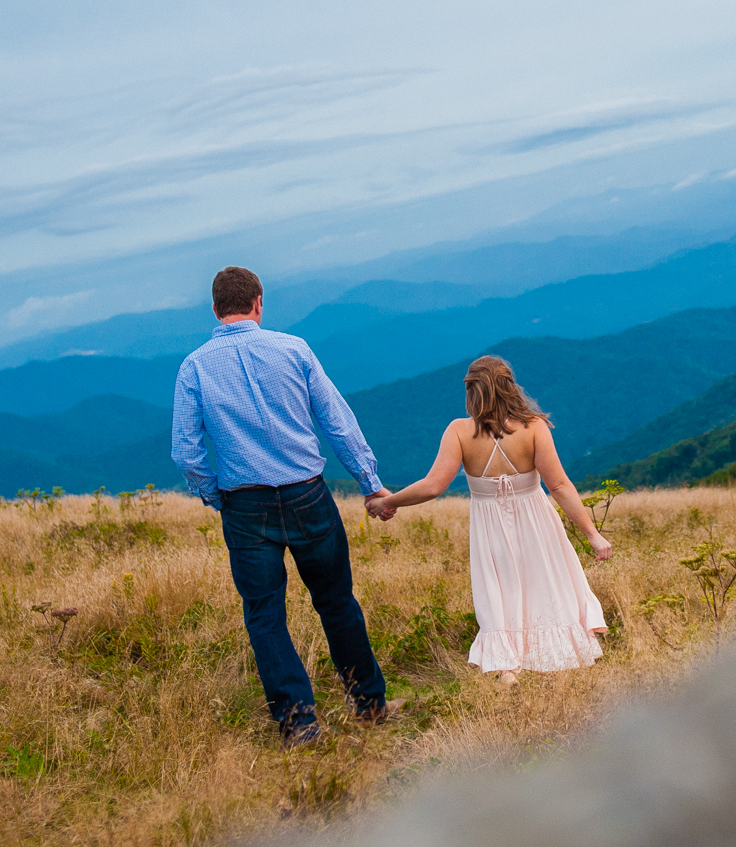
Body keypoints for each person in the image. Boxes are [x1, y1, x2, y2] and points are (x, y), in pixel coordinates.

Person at [171, 266, 399, 746]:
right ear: (258, 302)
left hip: (244, 506)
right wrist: (370, 483)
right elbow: (337, 421)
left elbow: (186, 452)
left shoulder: (193, 367)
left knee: (264, 615)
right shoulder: (294, 349)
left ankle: (299, 724)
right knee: (336, 603)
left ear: (215, 310)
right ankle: (370, 706)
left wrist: (218, 497)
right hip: (308, 496)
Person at [369, 355, 610, 683]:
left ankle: (507, 667)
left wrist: (389, 501)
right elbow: (560, 486)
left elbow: (433, 485)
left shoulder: (459, 431)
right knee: (545, 587)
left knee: (500, 592)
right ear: (510, 387)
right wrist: (592, 535)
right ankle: (556, 659)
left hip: (489, 527)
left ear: (472, 391)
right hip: (536, 522)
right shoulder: (533, 427)